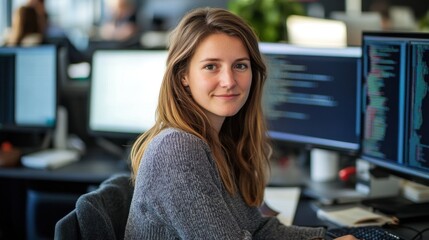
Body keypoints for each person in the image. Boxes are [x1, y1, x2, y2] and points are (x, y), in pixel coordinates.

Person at [125, 7, 357, 240]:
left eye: (240, 65)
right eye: (211, 66)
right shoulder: (177, 149)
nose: (229, 81)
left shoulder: (223, 140)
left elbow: (259, 230)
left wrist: (330, 238)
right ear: (183, 75)